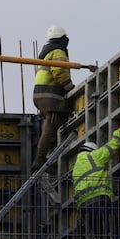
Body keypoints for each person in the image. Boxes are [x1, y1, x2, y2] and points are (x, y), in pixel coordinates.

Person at [72, 122, 120, 239]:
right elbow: (112, 147)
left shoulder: (76, 168)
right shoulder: (93, 156)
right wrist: (119, 130)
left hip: (84, 207)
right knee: (115, 231)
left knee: (100, 236)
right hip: (100, 202)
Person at [33, 24, 76, 164]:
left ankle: (52, 159)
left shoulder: (46, 52)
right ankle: (39, 160)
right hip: (51, 97)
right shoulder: (58, 52)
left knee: (56, 125)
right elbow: (59, 72)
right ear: (61, 38)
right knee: (50, 128)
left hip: (40, 95)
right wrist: (71, 89)